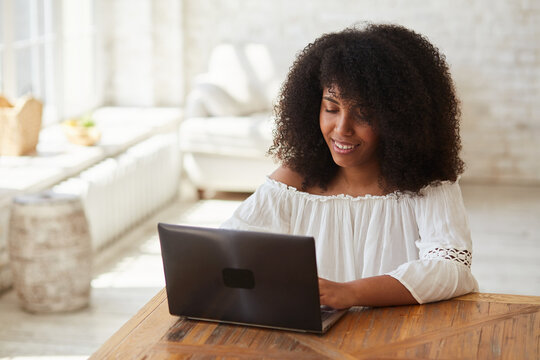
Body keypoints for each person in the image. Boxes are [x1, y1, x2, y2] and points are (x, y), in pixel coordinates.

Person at [221, 23, 478, 309]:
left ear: (398, 120)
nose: (342, 128)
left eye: (364, 114)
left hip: (402, 337)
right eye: (331, 109)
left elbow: (451, 268)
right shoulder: (293, 182)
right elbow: (226, 249)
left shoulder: (427, 183)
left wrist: (351, 293)